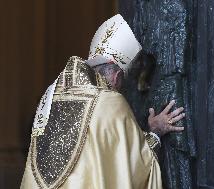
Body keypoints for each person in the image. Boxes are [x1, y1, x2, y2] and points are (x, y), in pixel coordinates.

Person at [20, 14, 185, 189]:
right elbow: (133, 167)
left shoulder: (52, 95)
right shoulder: (110, 102)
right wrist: (155, 133)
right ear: (117, 77)